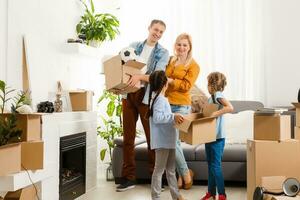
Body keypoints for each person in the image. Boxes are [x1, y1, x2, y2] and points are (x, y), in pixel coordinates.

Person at [116, 19, 169, 192]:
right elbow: (121, 65)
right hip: (128, 95)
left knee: (152, 139)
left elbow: (157, 75)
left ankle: (156, 178)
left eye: (161, 32)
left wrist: (139, 77)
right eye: (156, 29)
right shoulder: (134, 46)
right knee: (128, 138)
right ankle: (129, 177)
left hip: (146, 97)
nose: (158, 33)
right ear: (149, 28)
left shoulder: (163, 52)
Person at [165, 33, 200, 189]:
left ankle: (185, 173)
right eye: (179, 44)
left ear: (189, 47)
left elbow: (186, 86)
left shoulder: (194, 65)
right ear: (175, 46)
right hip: (166, 105)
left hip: (181, 106)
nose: (181, 47)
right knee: (173, 143)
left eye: (185, 45)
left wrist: (171, 81)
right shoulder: (170, 61)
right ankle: (183, 175)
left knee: (173, 142)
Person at [147, 70, 184, 200]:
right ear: (165, 84)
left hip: (168, 140)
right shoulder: (159, 99)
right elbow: (157, 118)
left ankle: (176, 195)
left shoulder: (158, 98)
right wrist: (173, 116)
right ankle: (156, 197)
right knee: (159, 170)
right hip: (163, 141)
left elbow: (162, 117)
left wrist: (174, 117)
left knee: (171, 170)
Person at [200, 72, 233, 200]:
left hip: (217, 137)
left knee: (215, 165)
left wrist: (215, 114)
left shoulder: (217, 95)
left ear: (212, 85)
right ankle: (211, 192)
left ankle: (222, 194)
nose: (207, 87)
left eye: (208, 84)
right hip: (209, 136)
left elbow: (230, 107)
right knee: (210, 165)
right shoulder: (211, 98)